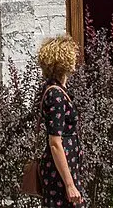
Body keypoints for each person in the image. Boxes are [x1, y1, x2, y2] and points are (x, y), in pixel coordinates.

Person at [36, 35, 85, 208]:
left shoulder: (55, 89)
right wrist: (69, 184)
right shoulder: (55, 95)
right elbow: (55, 142)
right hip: (59, 173)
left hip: (65, 169)